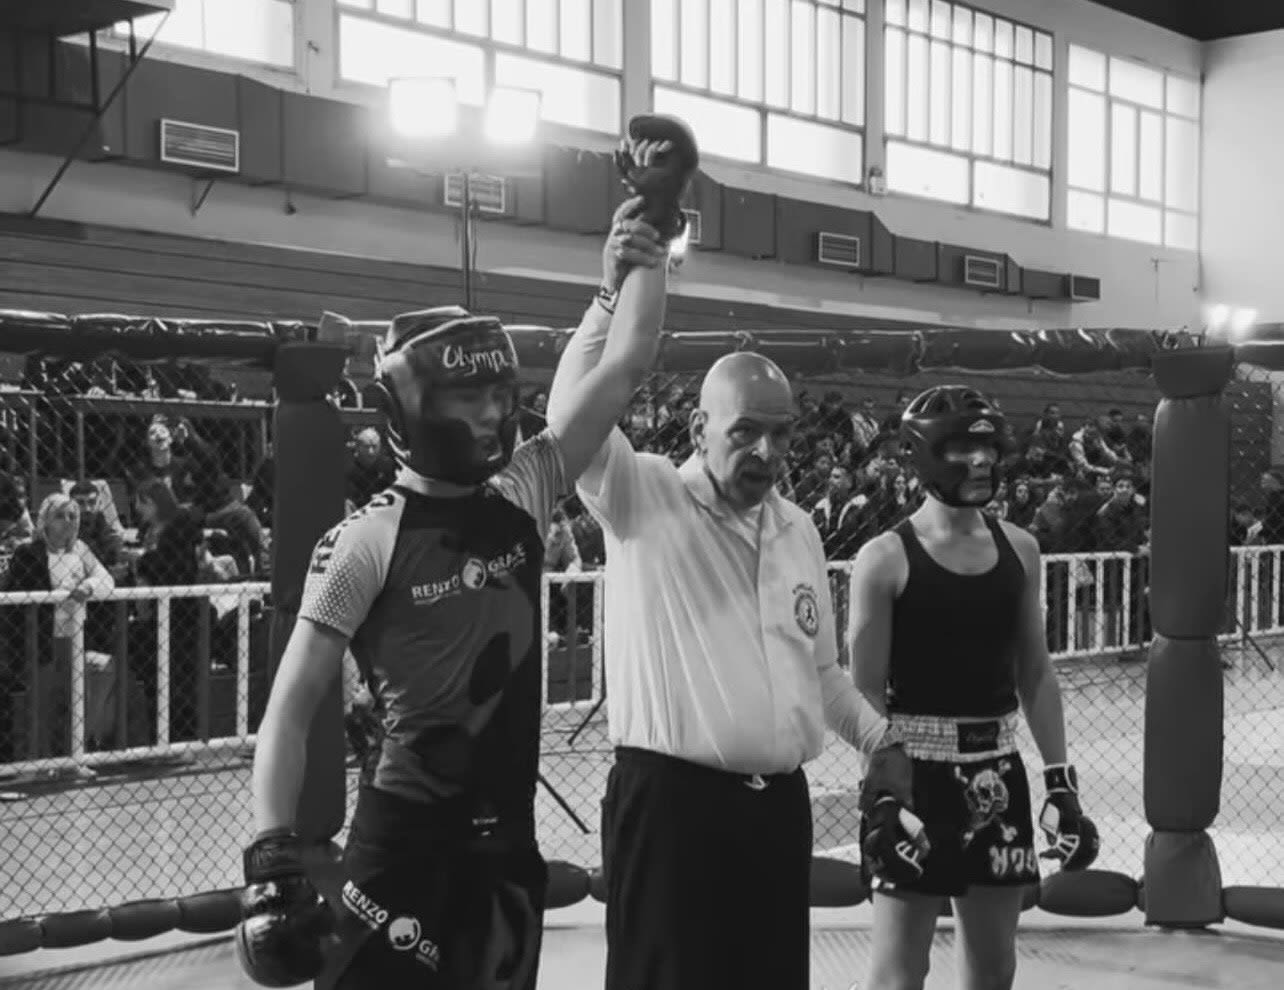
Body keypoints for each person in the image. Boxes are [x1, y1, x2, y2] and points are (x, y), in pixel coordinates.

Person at [233, 120, 692, 990]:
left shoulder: (523, 488)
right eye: (465, 398)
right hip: (400, 848)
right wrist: (270, 853)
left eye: (496, 394)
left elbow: (628, 360)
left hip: (505, 850)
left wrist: (650, 231)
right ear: (410, 409)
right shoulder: (365, 539)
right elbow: (289, 709)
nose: (489, 415)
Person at [548, 280, 912, 988]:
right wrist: (610, 295)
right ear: (698, 430)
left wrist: (881, 741)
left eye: (782, 433)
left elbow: (822, 675)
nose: (766, 451)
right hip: (672, 810)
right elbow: (569, 416)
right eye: (745, 431)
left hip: (777, 811)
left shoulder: (798, 530)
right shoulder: (643, 493)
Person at [848, 385, 1099, 990]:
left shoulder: (1021, 549)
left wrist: (1060, 782)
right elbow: (864, 691)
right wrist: (881, 795)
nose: (982, 460)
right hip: (913, 776)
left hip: (998, 773)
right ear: (926, 454)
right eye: (963, 447)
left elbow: (1035, 672)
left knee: (994, 969)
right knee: (898, 973)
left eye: (988, 447)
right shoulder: (884, 558)